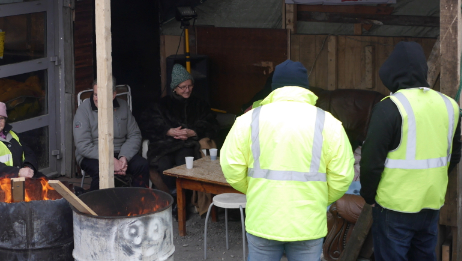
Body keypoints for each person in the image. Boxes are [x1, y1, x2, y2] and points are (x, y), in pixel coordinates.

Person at [221, 60, 353, 261]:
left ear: (274, 87)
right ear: (305, 88)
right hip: (308, 222)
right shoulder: (329, 123)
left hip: (263, 219)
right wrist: (319, 198)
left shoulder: (248, 120)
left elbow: (231, 166)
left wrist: (257, 190)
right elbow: (342, 176)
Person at [360, 41, 461, 261]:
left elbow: (371, 160)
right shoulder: (450, 106)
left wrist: (369, 195)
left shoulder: (390, 107)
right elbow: (455, 154)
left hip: (394, 206)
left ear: (391, 73)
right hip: (431, 203)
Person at [140, 64, 218, 193]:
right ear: (175, 88)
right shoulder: (162, 104)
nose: (187, 90)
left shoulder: (200, 104)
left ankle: (185, 197)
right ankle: (174, 195)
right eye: (183, 87)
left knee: (185, 163)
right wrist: (168, 131)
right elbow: (149, 124)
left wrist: (193, 132)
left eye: (190, 86)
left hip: (187, 144)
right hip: (165, 145)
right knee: (164, 165)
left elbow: (211, 123)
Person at [73, 78, 149, 191]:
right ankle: (94, 206)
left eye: (101, 95)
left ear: (113, 95)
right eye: (95, 94)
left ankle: (137, 204)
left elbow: (135, 135)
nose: (97, 99)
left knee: (142, 165)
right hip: (93, 154)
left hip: (120, 151)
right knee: (103, 171)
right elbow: (83, 145)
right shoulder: (83, 110)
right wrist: (110, 161)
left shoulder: (122, 106)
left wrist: (124, 158)